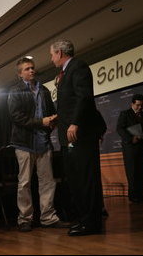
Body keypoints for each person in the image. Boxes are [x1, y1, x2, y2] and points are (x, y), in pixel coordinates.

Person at [7, 57, 69, 232]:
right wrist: (42, 122)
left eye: (32, 68)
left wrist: (52, 122)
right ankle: (24, 219)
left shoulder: (43, 90)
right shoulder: (15, 90)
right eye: (27, 69)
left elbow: (51, 113)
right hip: (24, 143)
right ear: (20, 74)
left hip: (43, 142)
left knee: (48, 182)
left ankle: (48, 218)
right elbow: (16, 116)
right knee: (25, 183)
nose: (31, 71)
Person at [50, 39, 104, 236]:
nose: (51, 58)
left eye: (52, 54)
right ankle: (84, 220)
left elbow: (84, 97)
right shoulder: (64, 73)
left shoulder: (78, 66)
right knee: (76, 180)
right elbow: (70, 102)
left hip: (79, 134)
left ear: (60, 52)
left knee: (86, 179)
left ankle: (92, 223)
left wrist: (75, 123)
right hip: (69, 136)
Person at [116, 93, 143, 203]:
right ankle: (133, 196)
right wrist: (131, 139)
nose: (140, 107)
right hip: (130, 148)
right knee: (132, 173)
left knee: (142, 172)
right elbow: (120, 129)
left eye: (142, 105)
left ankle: (141, 195)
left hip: (142, 148)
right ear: (132, 103)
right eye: (137, 105)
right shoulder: (125, 114)